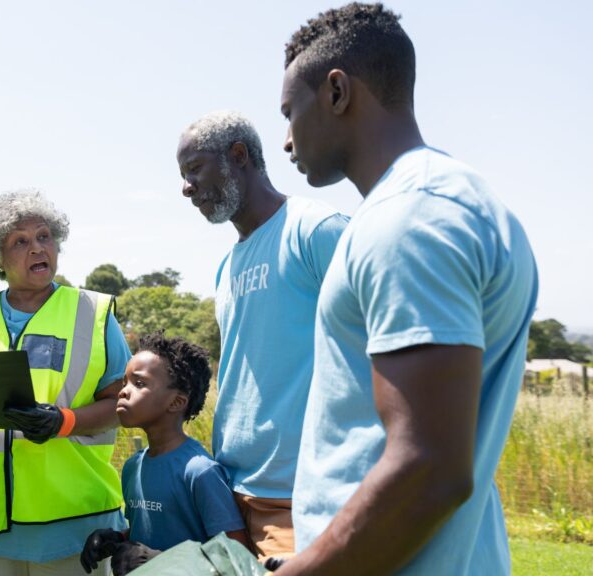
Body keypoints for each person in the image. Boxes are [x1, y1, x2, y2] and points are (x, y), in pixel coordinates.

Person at [276, 3, 538, 574]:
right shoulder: (447, 199)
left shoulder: (410, 218)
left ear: (337, 92)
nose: (287, 141)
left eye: (290, 112)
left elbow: (429, 468)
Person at [175, 111, 348, 560]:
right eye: (183, 175)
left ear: (238, 156)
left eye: (194, 169)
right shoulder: (226, 266)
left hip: (298, 499)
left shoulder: (315, 231)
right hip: (227, 494)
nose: (186, 187)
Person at [0, 189, 131, 576]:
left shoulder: (93, 313)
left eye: (44, 236)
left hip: (74, 521)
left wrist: (64, 421)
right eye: (20, 241)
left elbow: (124, 403)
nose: (37, 249)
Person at [80, 333, 248, 576]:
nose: (123, 392)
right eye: (124, 382)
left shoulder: (199, 471)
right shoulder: (132, 467)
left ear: (176, 402)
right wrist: (116, 540)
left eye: (138, 384)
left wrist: (159, 559)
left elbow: (234, 556)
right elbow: (148, 534)